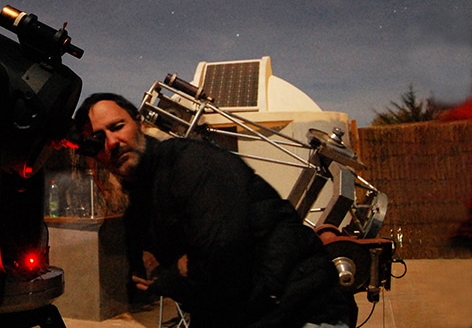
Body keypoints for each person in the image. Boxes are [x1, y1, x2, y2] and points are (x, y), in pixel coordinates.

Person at [73, 93, 356, 328]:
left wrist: (179, 270)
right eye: (98, 139)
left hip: (301, 313)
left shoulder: (190, 162)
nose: (111, 142)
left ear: (139, 123)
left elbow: (223, 255)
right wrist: (179, 270)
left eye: (117, 126)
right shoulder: (140, 207)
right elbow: (146, 279)